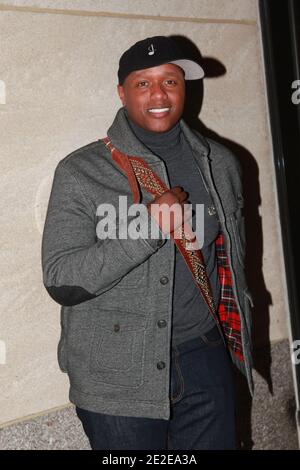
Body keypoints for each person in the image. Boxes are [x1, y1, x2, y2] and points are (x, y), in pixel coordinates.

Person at [41, 35, 254, 450]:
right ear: (122, 92)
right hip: (116, 374)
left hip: (203, 358)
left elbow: (231, 266)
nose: (159, 94)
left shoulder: (221, 163)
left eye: (171, 81)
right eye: (143, 83)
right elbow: (60, 278)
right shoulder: (81, 172)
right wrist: (148, 228)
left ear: (184, 88)